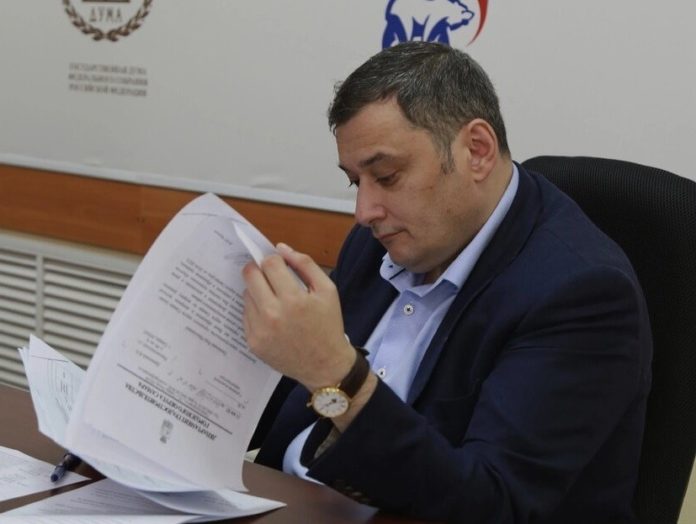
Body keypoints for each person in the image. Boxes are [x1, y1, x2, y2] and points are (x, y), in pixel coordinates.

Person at [242, 42, 652, 523]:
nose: (364, 211)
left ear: (476, 151)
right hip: (293, 503)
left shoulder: (582, 294)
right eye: (356, 182)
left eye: (387, 176)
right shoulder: (380, 241)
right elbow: (290, 396)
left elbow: (491, 503)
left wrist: (337, 375)